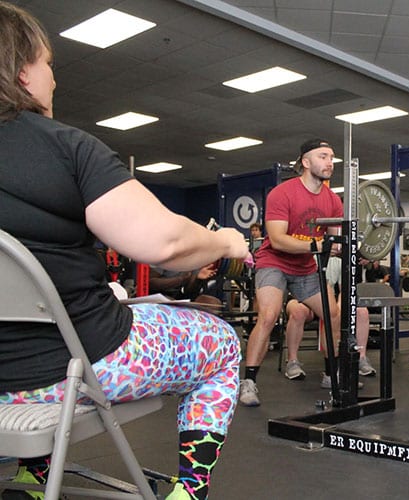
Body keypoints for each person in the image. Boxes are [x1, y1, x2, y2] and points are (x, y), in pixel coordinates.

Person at [0, 4, 250, 499]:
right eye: (49, 63)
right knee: (221, 343)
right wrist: (225, 240)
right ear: (24, 69)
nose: (55, 78)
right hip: (75, 367)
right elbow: (165, 245)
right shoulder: (65, 147)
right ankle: (190, 492)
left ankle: (33, 475)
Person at [240, 138, 343, 407]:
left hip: (305, 267)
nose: (329, 162)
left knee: (332, 314)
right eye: (323, 156)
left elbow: (335, 240)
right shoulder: (282, 193)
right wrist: (316, 245)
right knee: (269, 315)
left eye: (331, 157)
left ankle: (332, 374)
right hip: (274, 262)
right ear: (306, 162)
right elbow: (276, 239)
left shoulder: (333, 200)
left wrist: (345, 246)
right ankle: (248, 381)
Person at [282, 254, 376, 382]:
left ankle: (361, 358)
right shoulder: (308, 251)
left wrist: (338, 307)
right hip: (304, 297)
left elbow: (345, 289)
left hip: (331, 299)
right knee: (298, 312)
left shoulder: (342, 257)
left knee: (361, 312)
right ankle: (292, 361)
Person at [148, 262, 219, 304]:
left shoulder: (195, 263)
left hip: (174, 298)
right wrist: (181, 280)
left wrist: (197, 278)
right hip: (153, 295)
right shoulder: (165, 257)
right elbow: (151, 283)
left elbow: (188, 292)